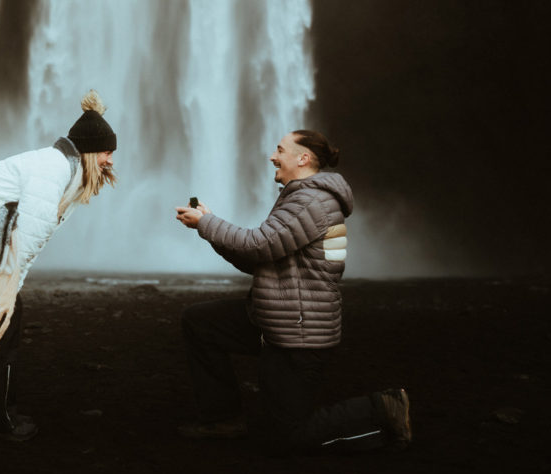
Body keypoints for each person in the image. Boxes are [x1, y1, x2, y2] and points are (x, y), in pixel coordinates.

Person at [174, 130, 411, 454]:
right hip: (278, 315)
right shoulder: (302, 196)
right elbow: (260, 259)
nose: (273, 156)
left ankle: (383, 407)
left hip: (300, 331)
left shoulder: (311, 200)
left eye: (280, 149)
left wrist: (208, 222)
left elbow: (259, 245)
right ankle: (222, 418)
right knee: (200, 322)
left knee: (289, 435)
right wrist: (208, 229)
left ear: (304, 158)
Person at [0, 90, 117, 441]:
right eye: (107, 152)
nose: (109, 160)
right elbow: (28, 235)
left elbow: (16, 231)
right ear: (91, 150)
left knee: (1, 314)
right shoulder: (54, 168)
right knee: (1, 318)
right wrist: (6, 286)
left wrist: (10, 285)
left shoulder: (66, 169)